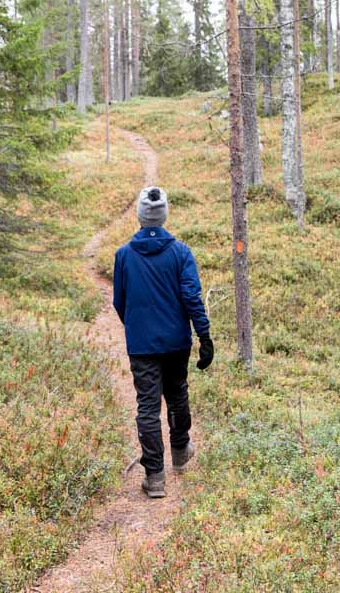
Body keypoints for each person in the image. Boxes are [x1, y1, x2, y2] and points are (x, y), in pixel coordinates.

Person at [113, 186, 213, 499]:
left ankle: (155, 476)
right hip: (176, 341)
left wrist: (138, 326)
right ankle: (181, 450)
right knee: (177, 393)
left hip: (142, 344)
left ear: (141, 216)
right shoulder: (181, 252)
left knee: (147, 406)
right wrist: (204, 335)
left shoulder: (124, 255)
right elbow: (192, 298)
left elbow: (120, 302)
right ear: (164, 215)